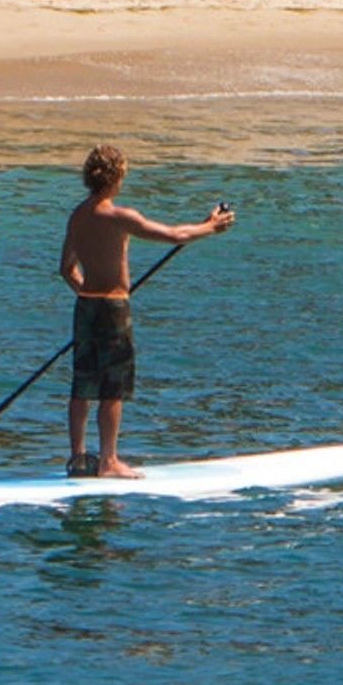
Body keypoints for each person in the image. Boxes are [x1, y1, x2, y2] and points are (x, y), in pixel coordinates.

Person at [57, 146, 234, 478]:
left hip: (85, 308)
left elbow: (66, 269)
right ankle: (108, 461)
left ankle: (78, 458)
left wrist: (88, 294)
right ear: (114, 179)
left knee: (82, 385)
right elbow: (173, 235)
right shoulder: (121, 217)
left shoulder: (77, 216)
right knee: (112, 387)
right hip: (113, 310)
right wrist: (211, 226)